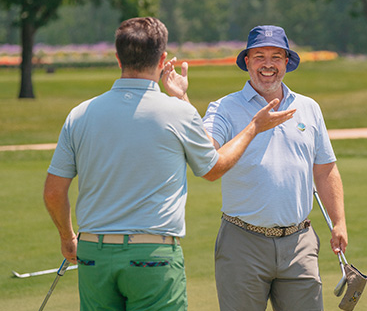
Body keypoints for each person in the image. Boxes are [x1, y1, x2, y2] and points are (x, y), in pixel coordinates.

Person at [43, 17, 296, 311]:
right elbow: (213, 169)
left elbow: (53, 192)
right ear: (163, 58)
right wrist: (254, 126)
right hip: (153, 253)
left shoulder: (79, 114)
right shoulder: (177, 113)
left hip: (93, 252)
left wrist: (67, 237)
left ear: (117, 58)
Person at [201, 25, 348, 311]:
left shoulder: (309, 108)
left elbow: (325, 169)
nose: (268, 64)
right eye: (259, 56)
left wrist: (338, 221)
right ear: (247, 62)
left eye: (276, 57)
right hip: (242, 242)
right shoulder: (223, 108)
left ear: (286, 63)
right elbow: (208, 154)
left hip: (299, 243)